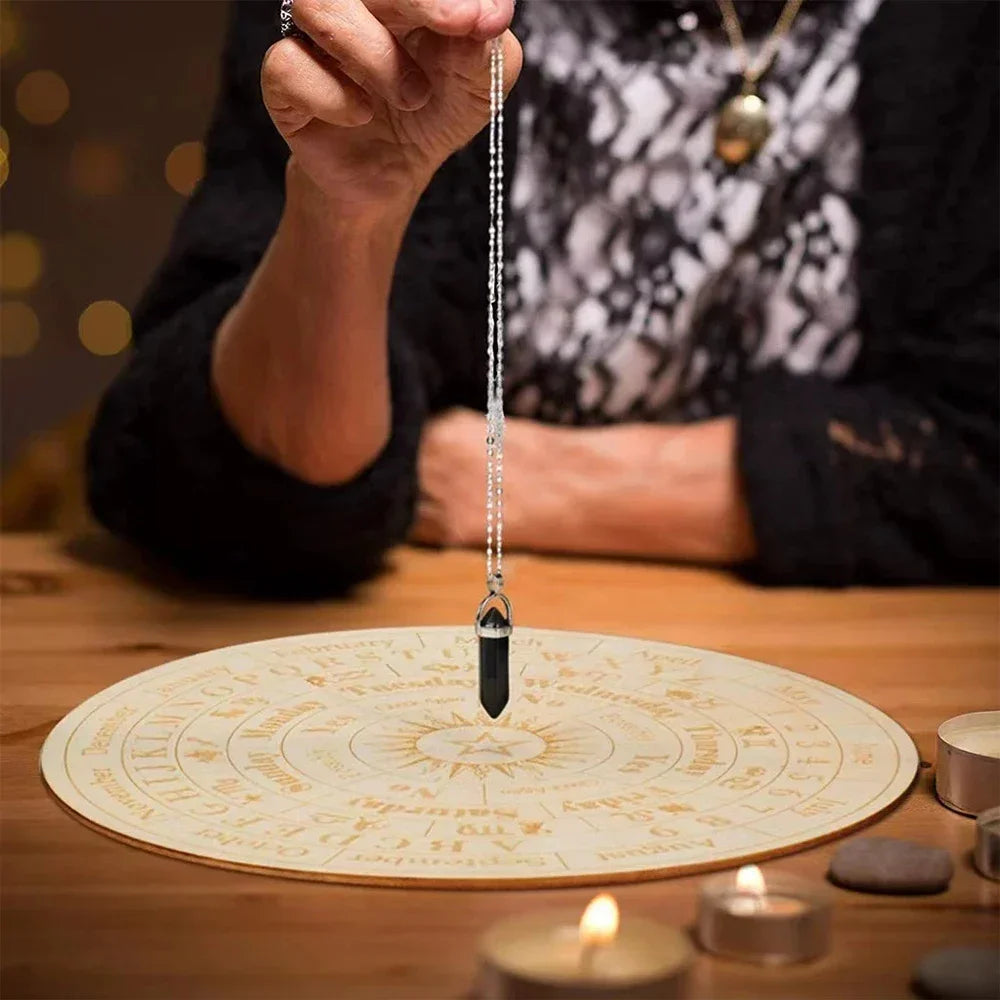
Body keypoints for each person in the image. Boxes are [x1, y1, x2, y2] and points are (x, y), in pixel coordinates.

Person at [86, 0, 998, 595]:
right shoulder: (388, 10)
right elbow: (190, 482)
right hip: (402, 669)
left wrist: (506, 482)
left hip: (847, 681)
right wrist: (345, 217)